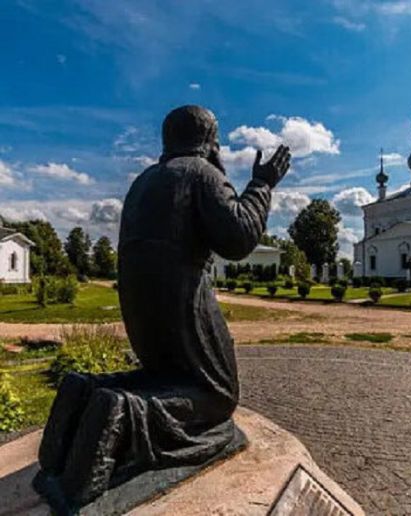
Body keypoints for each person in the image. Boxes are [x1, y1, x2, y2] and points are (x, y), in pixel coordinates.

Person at [34, 105, 291, 510]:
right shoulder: (202, 175)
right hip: (183, 304)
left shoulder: (144, 182)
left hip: (145, 313)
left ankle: (85, 392)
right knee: (218, 396)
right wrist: (262, 184)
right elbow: (238, 239)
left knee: (165, 379)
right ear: (209, 140)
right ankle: (121, 410)